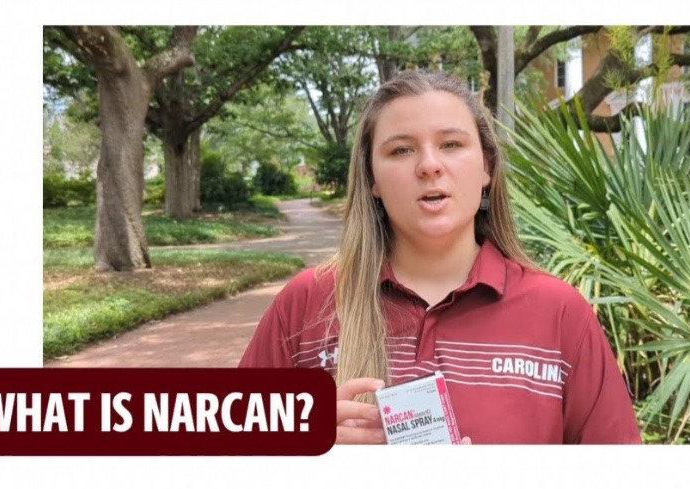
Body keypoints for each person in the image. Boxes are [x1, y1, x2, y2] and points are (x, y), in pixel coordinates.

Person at [239, 71, 641, 444]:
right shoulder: (309, 302)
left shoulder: (560, 314)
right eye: (401, 150)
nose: (429, 165)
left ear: (487, 166)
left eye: (451, 144)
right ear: (372, 179)